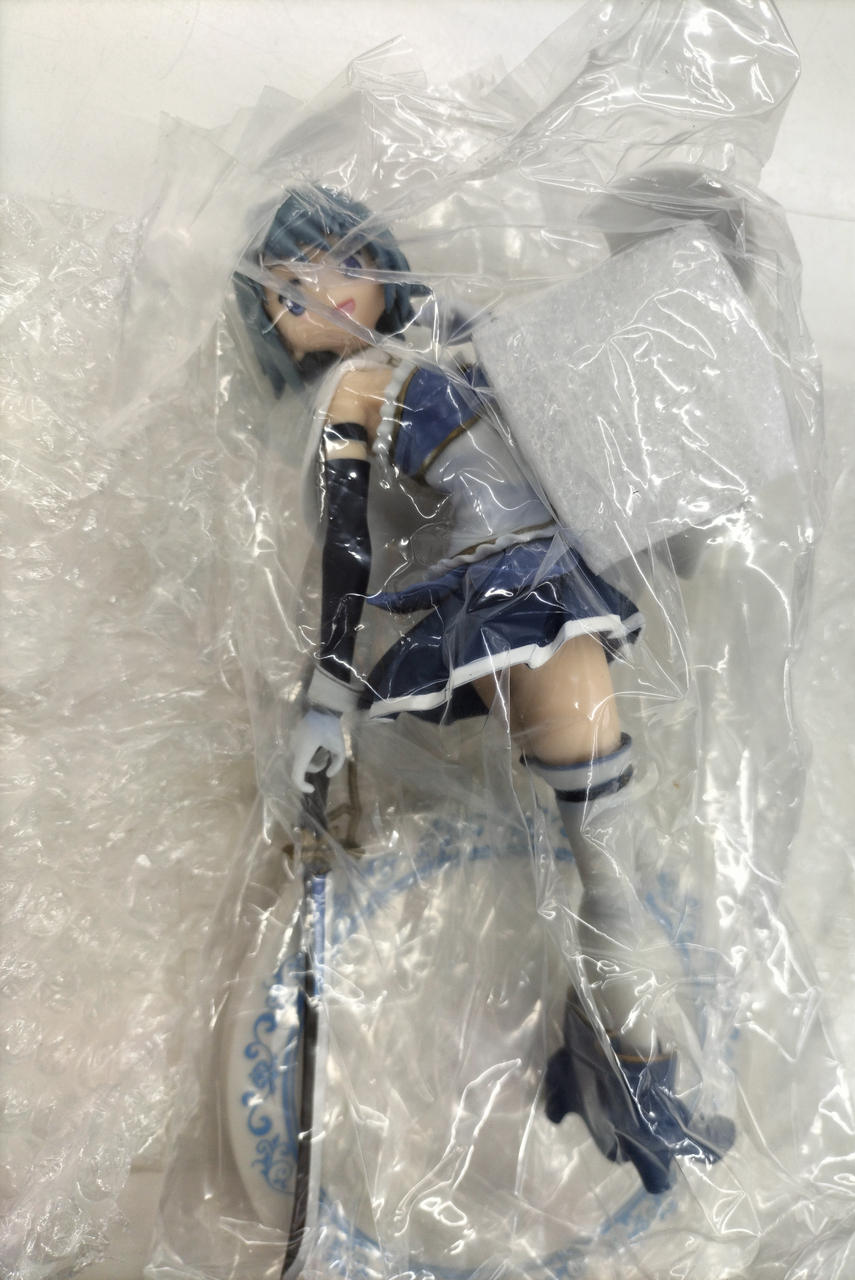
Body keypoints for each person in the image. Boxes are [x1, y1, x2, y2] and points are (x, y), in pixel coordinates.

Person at [234, 184, 734, 1194]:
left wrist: (660, 506)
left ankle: (607, 1063)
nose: (324, 293)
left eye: (341, 264)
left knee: (605, 852)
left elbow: (566, 415)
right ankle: (636, 1088)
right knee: (608, 860)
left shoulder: (448, 333)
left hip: (552, 572)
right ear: (275, 330)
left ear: (380, 263)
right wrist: (328, 687)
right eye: (290, 292)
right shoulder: (352, 393)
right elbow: (346, 546)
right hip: (516, 594)